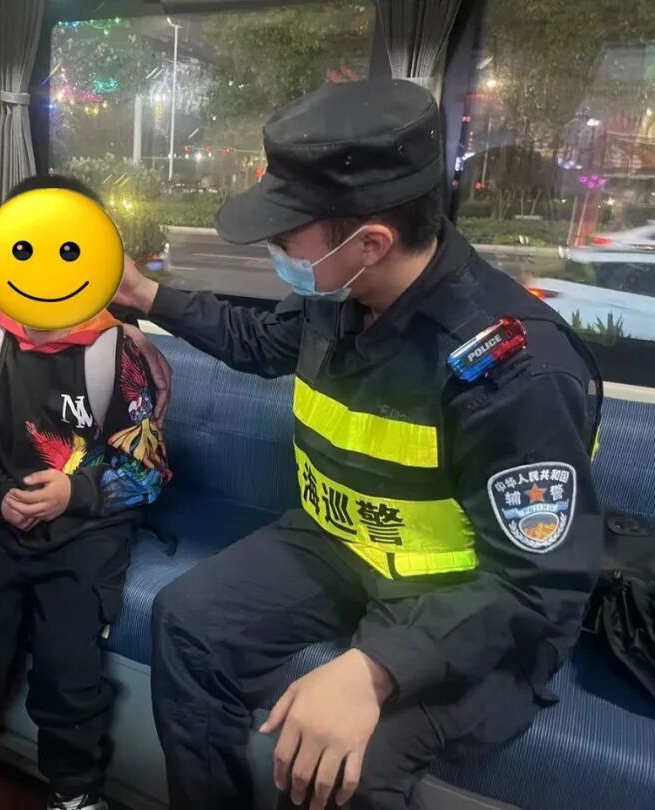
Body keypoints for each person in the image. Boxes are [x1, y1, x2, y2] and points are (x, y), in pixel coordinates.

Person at [114, 79, 604, 810]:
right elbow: (259, 341)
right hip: (344, 543)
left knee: (351, 765)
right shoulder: (342, 297)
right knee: (188, 623)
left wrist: (376, 667)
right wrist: (145, 295)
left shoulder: (513, 369)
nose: (275, 251)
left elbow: (537, 583)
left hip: (468, 598)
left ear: (371, 242)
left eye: (286, 238)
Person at [0, 176, 172, 810]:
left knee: (68, 671)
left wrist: (73, 493)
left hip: (86, 536)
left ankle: (75, 790)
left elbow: (149, 471)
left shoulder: (119, 352)